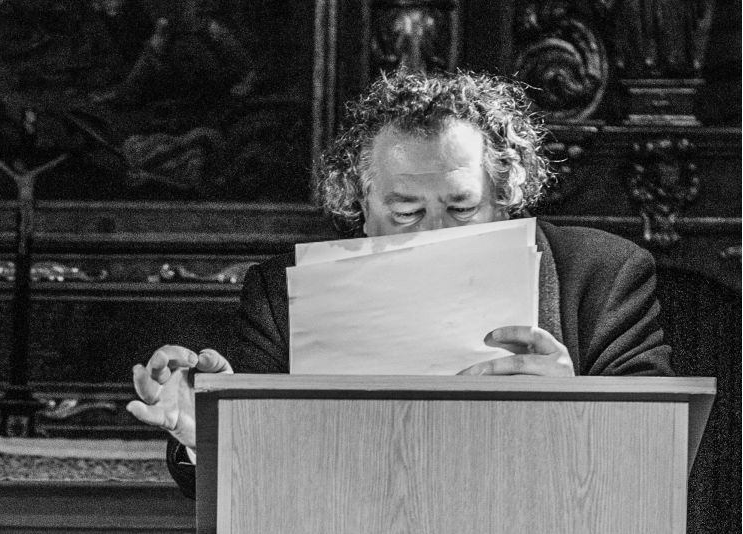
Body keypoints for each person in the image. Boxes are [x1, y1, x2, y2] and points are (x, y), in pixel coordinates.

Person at [126, 69, 674, 498]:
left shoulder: (603, 275)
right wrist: (206, 433)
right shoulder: (284, 293)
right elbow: (250, 486)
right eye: (407, 213)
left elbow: (659, 463)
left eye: (462, 208)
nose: (435, 234)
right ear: (361, 209)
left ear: (506, 200)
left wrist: (574, 408)